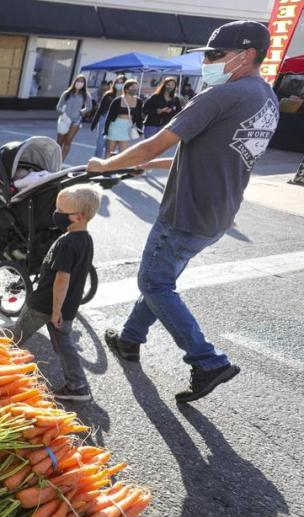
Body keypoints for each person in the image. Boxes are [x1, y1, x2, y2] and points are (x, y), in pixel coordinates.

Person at [87, 20, 278, 402]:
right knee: (162, 280)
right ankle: (130, 339)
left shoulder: (218, 96)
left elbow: (157, 142)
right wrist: (146, 166)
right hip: (219, 214)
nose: (208, 61)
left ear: (248, 55)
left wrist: (106, 165)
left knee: (154, 284)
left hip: (187, 212)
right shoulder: (266, 99)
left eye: (215, 55)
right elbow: (210, 152)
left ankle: (208, 361)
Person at [10, 184, 102, 401]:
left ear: (78, 217)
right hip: (64, 307)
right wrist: (61, 310)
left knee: (16, 336)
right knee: (64, 345)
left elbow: (63, 279)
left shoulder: (68, 243)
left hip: (45, 305)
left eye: (61, 212)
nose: (56, 214)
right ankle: (78, 385)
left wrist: (55, 310)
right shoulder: (85, 240)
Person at [103, 78, 143, 157]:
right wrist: (106, 130)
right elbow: (109, 116)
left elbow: (139, 117)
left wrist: (139, 129)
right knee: (109, 151)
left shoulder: (139, 101)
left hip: (127, 127)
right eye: (133, 87)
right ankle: (105, 168)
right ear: (127, 89)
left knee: (123, 153)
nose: (135, 89)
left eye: (136, 87)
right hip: (115, 125)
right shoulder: (117, 100)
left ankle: (117, 168)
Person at [55, 75, 92, 160]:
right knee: (59, 142)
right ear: (74, 82)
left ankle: (61, 161)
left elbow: (89, 106)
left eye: (82, 82)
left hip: (76, 121)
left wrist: (81, 112)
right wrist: (63, 111)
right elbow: (58, 106)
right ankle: (55, 160)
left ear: (84, 84)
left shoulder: (85, 95)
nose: (79, 83)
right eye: (78, 81)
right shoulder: (67, 93)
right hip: (65, 120)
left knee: (68, 141)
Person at [90, 75, 125, 158]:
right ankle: (96, 161)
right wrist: (94, 122)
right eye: (117, 82)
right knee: (100, 143)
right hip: (104, 119)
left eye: (121, 83)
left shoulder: (125, 97)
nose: (119, 84)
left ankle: (106, 163)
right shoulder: (108, 94)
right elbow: (100, 109)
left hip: (117, 121)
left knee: (110, 145)